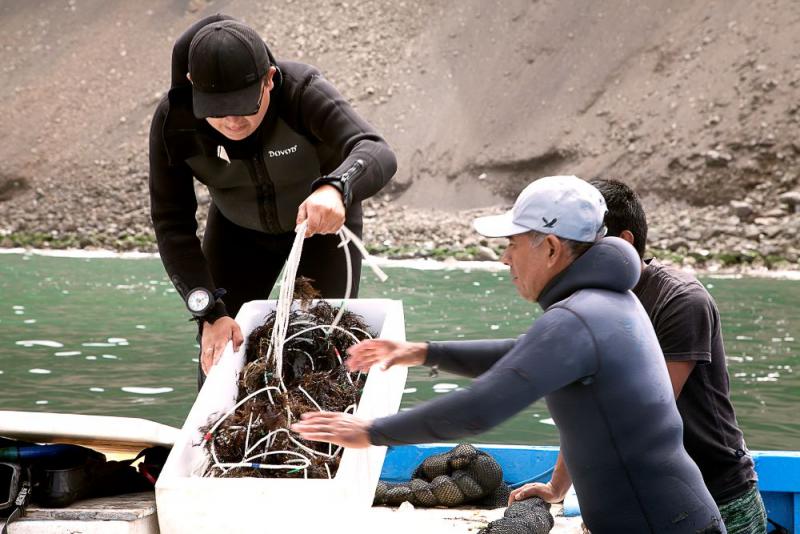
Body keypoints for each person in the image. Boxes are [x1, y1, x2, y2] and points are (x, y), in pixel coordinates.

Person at [293, 175, 726, 533]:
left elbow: (479, 409)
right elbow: (523, 355)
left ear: (552, 248)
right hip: (676, 516)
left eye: (514, 243)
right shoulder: (609, 300)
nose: (504, 259)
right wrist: (420, 352)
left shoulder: (578, 316)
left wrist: (369, 431)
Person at [148, 14, 397, 385]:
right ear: (193, 87)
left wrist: (336, 187)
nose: (233, 123)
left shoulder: (301, 92)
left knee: (318, 357)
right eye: (217, 109)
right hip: (237, 234)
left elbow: (376, 150)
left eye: (245, 105)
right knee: (221, 365)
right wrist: (209, 313)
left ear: (269, 79)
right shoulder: (175, 121)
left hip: (319, 230)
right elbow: (172, 223)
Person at [509, 179, 766, 533]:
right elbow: (586, 408)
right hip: (654, 499)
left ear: (623, 244)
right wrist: (557, 488)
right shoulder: (590, 304)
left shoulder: (681, 301)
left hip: (719, 496)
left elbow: (637, 417)